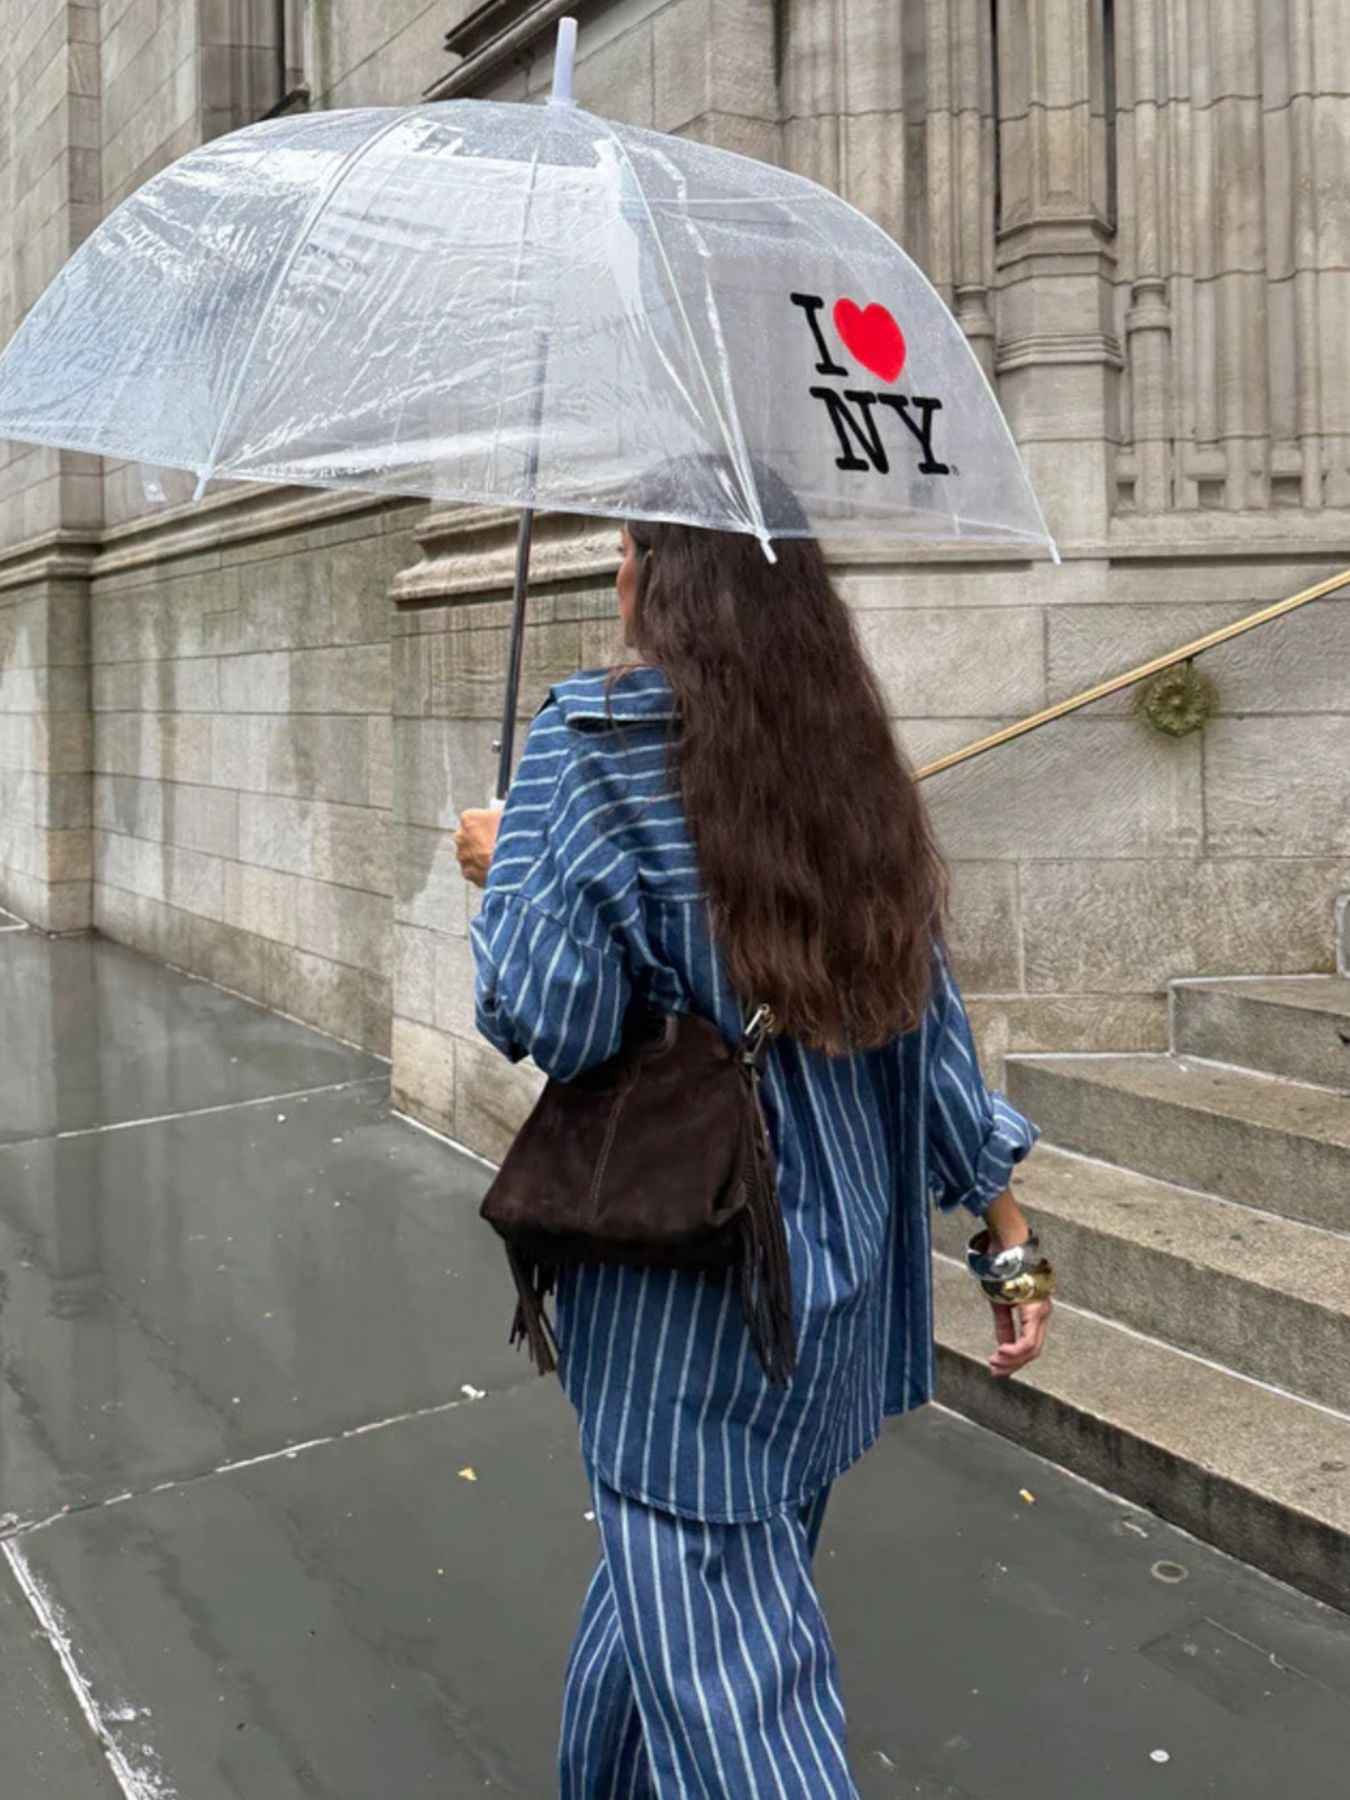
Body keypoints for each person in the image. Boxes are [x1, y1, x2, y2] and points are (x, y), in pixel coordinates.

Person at [454, 475, 1051, 1799]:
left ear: (662, 577)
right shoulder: (846, 754)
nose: (616, 573)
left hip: (693, 1301)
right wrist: (1006, 1236)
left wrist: (508, 877)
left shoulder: (589, 745)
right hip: (839, 1288)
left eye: (626, 548)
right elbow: (923, 1016)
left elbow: (553, 1018)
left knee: (738, 1703)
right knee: (669, 1603)